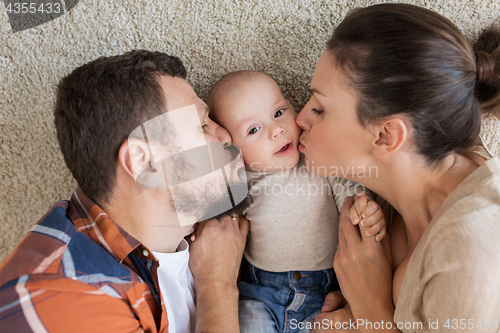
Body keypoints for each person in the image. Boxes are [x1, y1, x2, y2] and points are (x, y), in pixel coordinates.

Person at [0, 50, 253, 333]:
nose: (225, 135)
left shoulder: (216, 240)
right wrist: (217, 286)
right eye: (202, 125)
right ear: (144, 163)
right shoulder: (60, 298)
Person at [295, 3, 500, 332]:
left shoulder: (471, 254)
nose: (300, 118)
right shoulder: (402, 191)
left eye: (319, 108)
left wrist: (369, 306)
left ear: (387, 136)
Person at [207, 70, 386, 333]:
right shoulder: (239, 180)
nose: (277, 130)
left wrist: (364, 210)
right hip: (261, 294)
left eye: (279, 113)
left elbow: (349, 192)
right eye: (254, 129)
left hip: (325, 295)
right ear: (231, 147)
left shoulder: (317, 159)